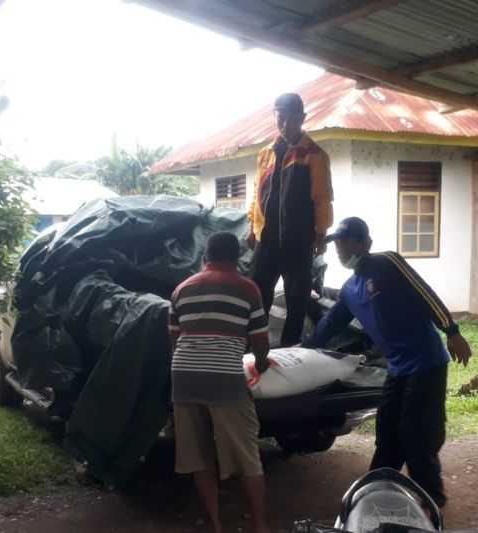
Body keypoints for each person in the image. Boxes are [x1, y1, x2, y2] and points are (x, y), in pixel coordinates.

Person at [303, 217, 472, 509]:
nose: (342, 249)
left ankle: (432, 497)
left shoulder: (387, 263)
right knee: (387, 430)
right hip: (397, 368)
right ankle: (380, 486)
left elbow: (424, 292)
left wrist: (452, 330)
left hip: (426, 361)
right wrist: (303, 349)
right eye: (339, 244)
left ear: (364, 243)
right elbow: (330, 324)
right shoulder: (350, 288)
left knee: (416, 432)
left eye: (347, 242)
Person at [169, 232, 271, 533]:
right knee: (247, 455)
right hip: (225, 379)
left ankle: (216, 525)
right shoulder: (247, 288)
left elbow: (174, 341)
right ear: (237, 259)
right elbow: (260, 342)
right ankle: (259, 526)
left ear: (206, 257)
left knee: (198, 454)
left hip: (183, 377)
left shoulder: (181, 289)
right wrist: (262, 365)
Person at [247, 92, 334, 347]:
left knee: (297, 299)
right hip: (267, 240)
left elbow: (322, 198)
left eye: (291, 119)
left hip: (299, 242)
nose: (285, 125)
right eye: (280, 118)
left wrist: (321, 234)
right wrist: (253, 228)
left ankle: (288, 349)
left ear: (303, 118)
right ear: (275, 116)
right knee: (257, 294)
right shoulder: (265, 154)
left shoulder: (315, 154)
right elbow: (256, 193)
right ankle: (253, 347)